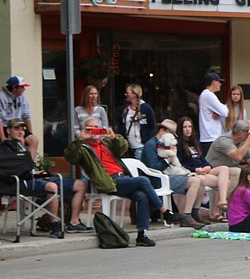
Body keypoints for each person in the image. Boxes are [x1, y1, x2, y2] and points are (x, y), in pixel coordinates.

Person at [65, 118, 165, 247]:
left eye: (96, 127)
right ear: (85, 129)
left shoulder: (106, 143)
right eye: (90, 128)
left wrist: (114, 137)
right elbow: (70, 157)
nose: (94, 130)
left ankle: (142, 235)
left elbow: (123, 148)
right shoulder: (83, 148)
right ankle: (165, 212)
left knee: (142, 196)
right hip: (108, 181)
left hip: (122, 178)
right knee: (143, 180)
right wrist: (80, 139)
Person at [0, 119, 80, 236]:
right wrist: (33, 175)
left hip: (32, 179)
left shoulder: (21, 147)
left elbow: (27, 167)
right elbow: (12, 171)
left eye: (22, 130)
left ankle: (72, 222)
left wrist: (38, 173)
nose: (20, 132)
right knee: (52, 187)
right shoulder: (5, 148)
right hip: (19, 183)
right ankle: (54, 225)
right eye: (16, 129)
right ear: (8, 130)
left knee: (78, 184)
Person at [141, 119, 206, 227]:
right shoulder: (151, 145)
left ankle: (195, 212)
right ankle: (186, 215)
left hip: (169, 174)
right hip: (159, 179)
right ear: (162, 131)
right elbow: (154, 167)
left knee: (201, 180)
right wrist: (168, 160)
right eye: (170, 134)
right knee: (195, 181)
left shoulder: (164, 144)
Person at [207, 120, 250, 201]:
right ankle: (233, 203)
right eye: (248, 134)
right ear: (240, 134)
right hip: (215, 169)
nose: (249, 136)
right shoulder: (223, 141)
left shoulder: (241, 143)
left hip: (230, 168)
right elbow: (238, 156)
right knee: (237, 171)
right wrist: (249, 140)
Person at [178, 116, 231, 220]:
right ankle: (216, 211)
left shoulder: (194, 142)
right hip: (194, 173)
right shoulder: (179, 144)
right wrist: (195, 170)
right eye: (185, 127)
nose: (188, 129)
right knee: (227, 182)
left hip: (203, 170)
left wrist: (208, 166)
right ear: (180, 129)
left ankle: (222, 201)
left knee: (224, 168)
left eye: (190, 126)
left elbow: (202, 159)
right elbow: (180, 163)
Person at [0, 75, 39, 158]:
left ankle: (30, 165)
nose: (24, 89)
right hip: (5, 126)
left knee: (34, 140)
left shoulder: (22, 97)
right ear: (15, 88)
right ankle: (17, 166)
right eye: (22, 87)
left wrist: (30, 133)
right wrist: (2, 138)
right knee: (18, 141)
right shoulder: (0, 97)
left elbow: (26, 115)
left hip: (18, 125)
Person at [119, 83, 156, 159]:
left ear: (134, 94)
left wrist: (147, 141)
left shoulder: (146, 108)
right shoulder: (126, 108)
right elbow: (121, 125)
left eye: (127, 93)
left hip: (141, 146)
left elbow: (152, 126)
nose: (125, 94)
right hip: (128, 147)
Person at [197, 71, 229, 154]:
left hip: (209, 137)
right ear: (214, 82)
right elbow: (225, 112)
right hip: (211, 137)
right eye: (219, 82)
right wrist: (219, 111)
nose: (220, 84)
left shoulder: (205, 95)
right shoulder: (209, 95)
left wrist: (218, 111)